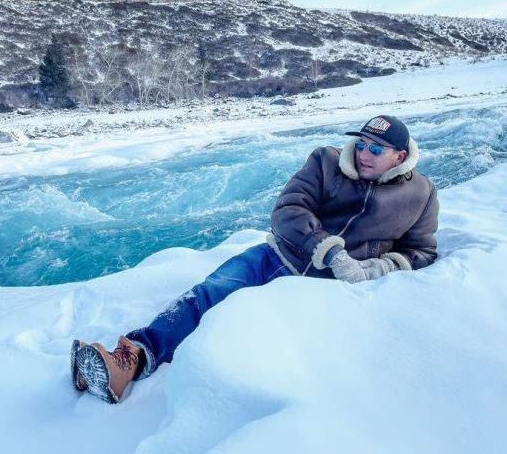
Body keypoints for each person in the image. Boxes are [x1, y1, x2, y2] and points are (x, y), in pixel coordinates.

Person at [71, 115, 439, 403]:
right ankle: (131, 358)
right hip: (276, 256)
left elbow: (420, 250)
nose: (363, 154)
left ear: (399, 157)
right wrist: (329, 248)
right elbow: (288, 209)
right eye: (361, 144)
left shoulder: (421, 195)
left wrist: (376, 267)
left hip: (326, 290)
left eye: (376, 150)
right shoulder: (325, 162)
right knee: (208, 294)